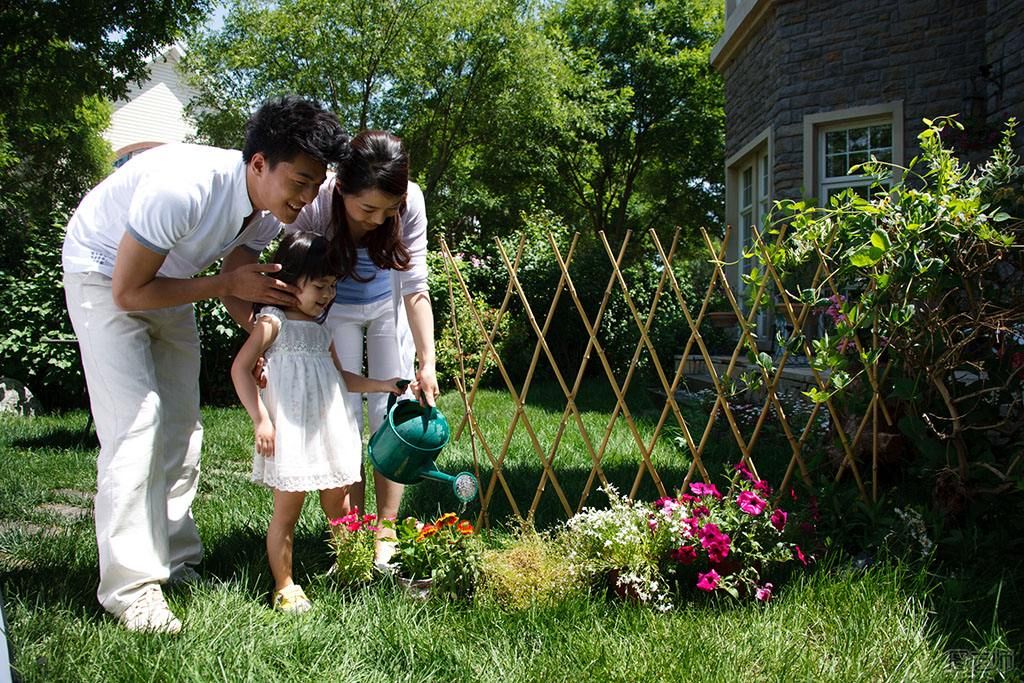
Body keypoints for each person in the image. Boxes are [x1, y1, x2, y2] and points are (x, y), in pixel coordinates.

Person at [62, 95, 349, 633]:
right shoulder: (184, 188)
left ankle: (175, 557)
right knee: (138, 421)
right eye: (300, 181)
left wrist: (264, 345)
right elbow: (129, 292)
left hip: (169, 280)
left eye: (316, 184)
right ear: (259, 163)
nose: (308, 197)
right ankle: (132, 590)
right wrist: (222, 285)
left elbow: (246, 285)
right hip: (103, 275)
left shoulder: (266, 212)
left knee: (182, 422)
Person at [286, 130, 439, 567]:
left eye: (388, 209)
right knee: (343, 415)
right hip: (331, 311)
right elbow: (293, 277)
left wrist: (427, 362)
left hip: (385, 305)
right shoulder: (317, 203)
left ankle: (386, 530)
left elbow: (415, 287)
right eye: (367, 208)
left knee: (391, 411)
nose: (377, 219)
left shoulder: (411, 201)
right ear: (342, 189)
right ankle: (350, 534)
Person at [231, 231, 405, 613]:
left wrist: (382, 384)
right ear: (292, 283)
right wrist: (261, 419)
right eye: (320, 286)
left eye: (332, 287)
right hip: (291, 436)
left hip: (327, 433)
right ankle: (285, 584)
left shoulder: (321, 330)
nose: (327, 295)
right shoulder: (272, 323)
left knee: (340, 507)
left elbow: (341, 378)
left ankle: (352, 568)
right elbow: (241, 369)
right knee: (287, 513)